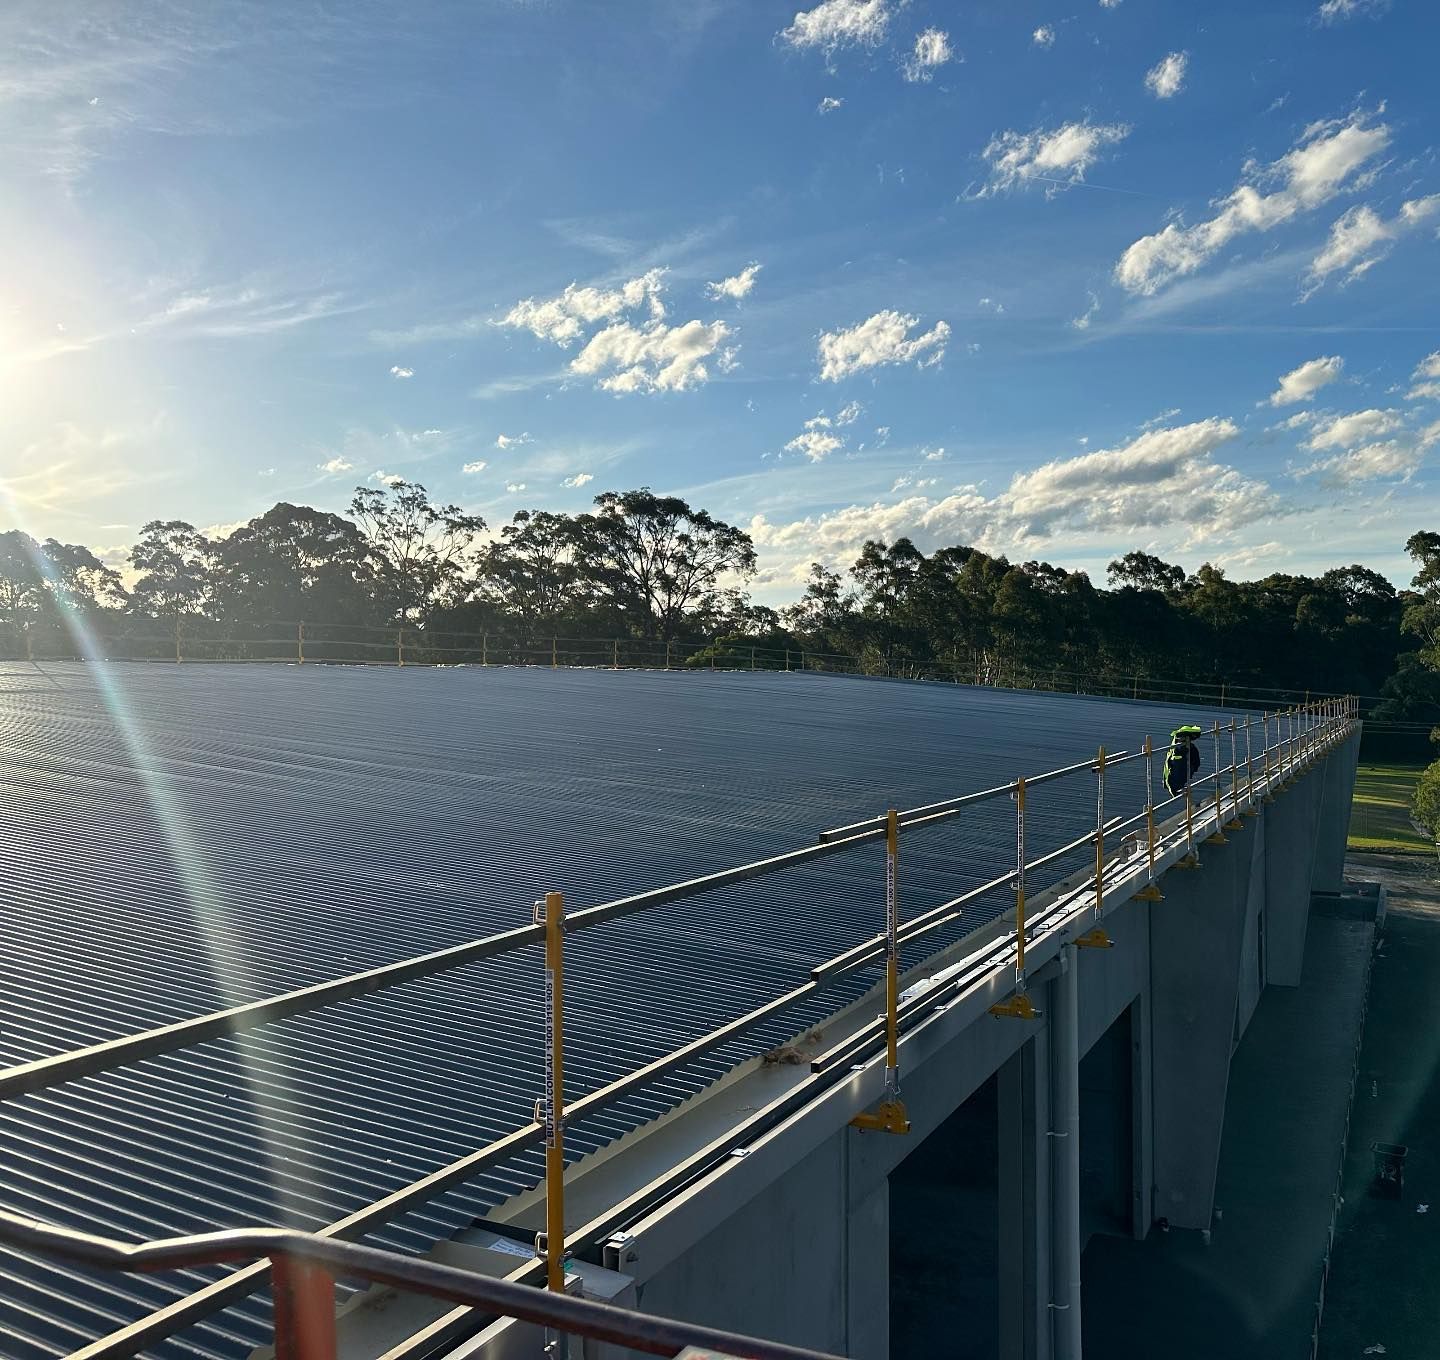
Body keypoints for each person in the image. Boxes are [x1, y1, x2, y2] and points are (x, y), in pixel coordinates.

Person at [1164, 725, 1203, 797]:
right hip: (1180, 765)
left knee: (1179, 774)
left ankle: (1179, 792)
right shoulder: (1189, 747)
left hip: (1179, 766)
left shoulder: (1172, 781)